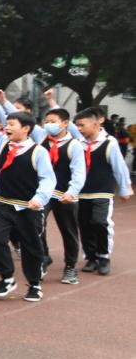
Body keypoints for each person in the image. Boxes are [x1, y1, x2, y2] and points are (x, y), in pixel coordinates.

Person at [0, 97, 54, 301]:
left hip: (28, 208)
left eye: (12, 124)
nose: (7, 128)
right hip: (2, 204)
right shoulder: (2, 143)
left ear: (26, 128)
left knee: (31, 247)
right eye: (6, 124)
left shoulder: (38, 152)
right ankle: (7, 277)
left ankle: (34, 284)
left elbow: (48, 179)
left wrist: (39, 198)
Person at [74, 107, 133, 276]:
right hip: (82, 192)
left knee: (101, 222)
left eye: (82, 125)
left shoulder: (109, 142)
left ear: (95, 123)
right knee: (84, 224)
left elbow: (119, 167)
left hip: (102, 191)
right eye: (77, 125)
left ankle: (104, 256)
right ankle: (91, 257)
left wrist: (124, 188)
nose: (79, 129)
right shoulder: (78, 143)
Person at [37, 107, 85, 283]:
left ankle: (70, 267)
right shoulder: (42, 141)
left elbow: (79, 172)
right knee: (36, 226)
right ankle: (43, 257)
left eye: (53, 122)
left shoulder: (74, 146)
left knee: (68, 231)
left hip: (65, 194)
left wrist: (71, 192)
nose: (48, 125)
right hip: (44, 193)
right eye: (47, 121)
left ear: (65, 124)